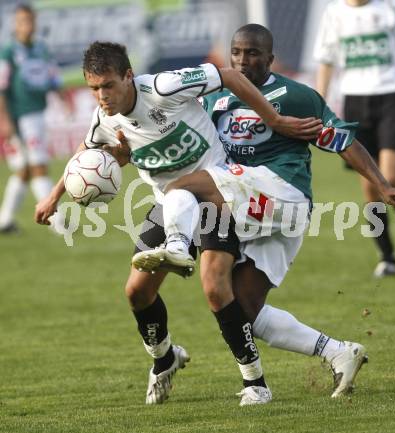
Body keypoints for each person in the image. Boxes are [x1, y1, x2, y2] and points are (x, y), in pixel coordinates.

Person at [35, 41, 324, 406]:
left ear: (128, 76)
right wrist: (54, 195)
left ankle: (256, 383)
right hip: (169, 204)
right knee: (136, 292)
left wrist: (275, 119)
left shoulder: (163, 87)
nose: (101, 96)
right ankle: (165, 357)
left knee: (216, 287)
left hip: (216, 191)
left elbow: (229, 75)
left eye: (108, 85)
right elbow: (86, 151)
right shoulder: (103, 119)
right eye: (93, 88)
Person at [132, 24, 395, 402]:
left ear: (270, 59)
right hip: (245, 200)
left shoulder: (294, 96)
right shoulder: (216, 98)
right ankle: (339, 352)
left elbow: (342, 141)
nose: (243, 61)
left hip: (282, 194)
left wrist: (381, 183)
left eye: (252, 53)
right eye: (237, 53)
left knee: (182, 188)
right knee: (241, 310)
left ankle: (178, 246)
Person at [314, 0, 395, 277]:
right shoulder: (334, 13)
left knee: (390, 175)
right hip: (355, 101)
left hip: (392, 96)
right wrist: (317, 105)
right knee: (369, 187)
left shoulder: (391, 7)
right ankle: (387, 257)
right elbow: (326, 63)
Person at [0, 4, 64, 234]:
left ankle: (4, 220)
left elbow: (52, 77)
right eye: (22, 21)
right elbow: (2, 88)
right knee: (39, 166)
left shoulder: (41, 49)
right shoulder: (8, 52)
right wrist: (4, 120)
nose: (27, 25)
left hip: (38, 113)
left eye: (30, 20)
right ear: (15, 24)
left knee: (25, 169)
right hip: (21, 118)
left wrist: (63, 98)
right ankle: (58, 222)